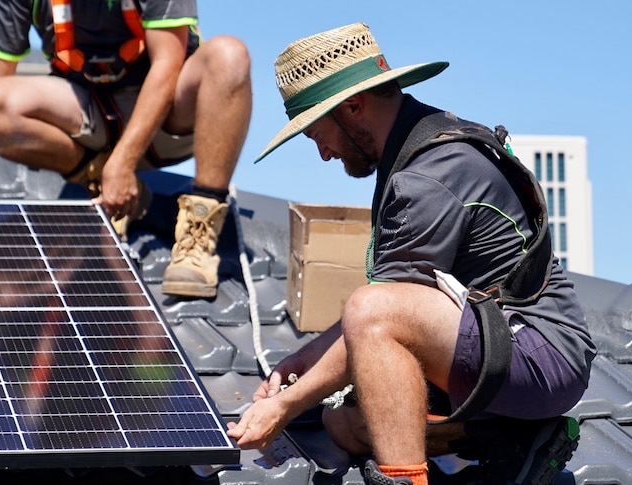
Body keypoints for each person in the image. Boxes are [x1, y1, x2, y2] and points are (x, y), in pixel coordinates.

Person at [227, 22, 596, 485]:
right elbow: (389, 311)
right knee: (344, 423)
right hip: (494, 342)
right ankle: (509, 439)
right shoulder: (415, 142)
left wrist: (283, 405)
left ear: (354, 107)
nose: (323, 154)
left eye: (317, 135)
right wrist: (301, 361)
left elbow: (378, 314)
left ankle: (405, 479)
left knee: (367, 314)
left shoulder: (428, 174)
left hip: (541, 353)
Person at [0, 0, 252, 299]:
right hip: (93, 118)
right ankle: (99, 177)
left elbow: (167, 64)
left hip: (167, 119)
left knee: (228, 56)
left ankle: (198, 232)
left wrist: (124, 162)